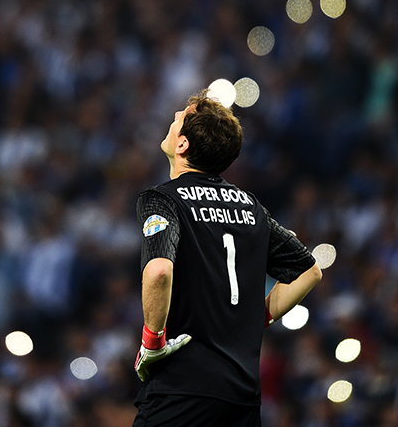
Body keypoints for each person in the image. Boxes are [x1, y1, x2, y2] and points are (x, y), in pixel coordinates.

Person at [133, 90, 324, 426]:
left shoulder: (163, 199)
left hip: (181, 391)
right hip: (242, 397)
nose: (175, 115)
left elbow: (159, 272)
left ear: (182, 146)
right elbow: (309, 271)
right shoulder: (252, 207)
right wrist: (257, 316)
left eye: (179, 118)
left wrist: (152, 343)